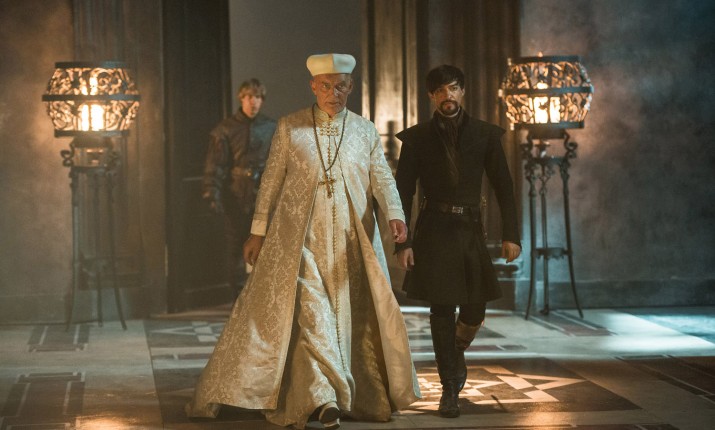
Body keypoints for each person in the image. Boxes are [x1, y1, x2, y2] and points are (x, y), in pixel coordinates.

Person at [187, 53, 420, 429]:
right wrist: (258, 231)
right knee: (312, 316)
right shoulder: (290, 126)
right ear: (313, 86)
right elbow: (271, 181)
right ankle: (322, 397)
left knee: (348, 320)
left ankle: (340, 392)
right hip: (300, 242)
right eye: (326, 86)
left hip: (351, 245)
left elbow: (381, 176)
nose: (333, 93)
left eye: (341, 86)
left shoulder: (364, 130)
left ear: (351, 87)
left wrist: (395, 214)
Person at [394, 64, 521, 418]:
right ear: (431, 96)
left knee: (475, 307)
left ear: (462, 91)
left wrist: (511, 234)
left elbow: (504, 187)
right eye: (439, 91)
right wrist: (403, 243)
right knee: (441, 309)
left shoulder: (485, 134)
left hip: (470, 229)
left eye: (452, 88)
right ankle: (449, 387)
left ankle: (456, 349)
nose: (446, 95)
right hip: (433, 230)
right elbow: (402, 192)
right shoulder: (417, 138)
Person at [202, 79, 277, 296]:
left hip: (263, 194)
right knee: (236, 248)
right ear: (241, 98)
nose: (253, 102)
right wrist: (212, 193)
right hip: (235, 196)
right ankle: (238, 298)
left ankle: (261, 298)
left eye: (257, 97)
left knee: (266, 247)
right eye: (249, 97)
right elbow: (215, 165)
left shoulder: (272, 127)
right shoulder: (225, 130)